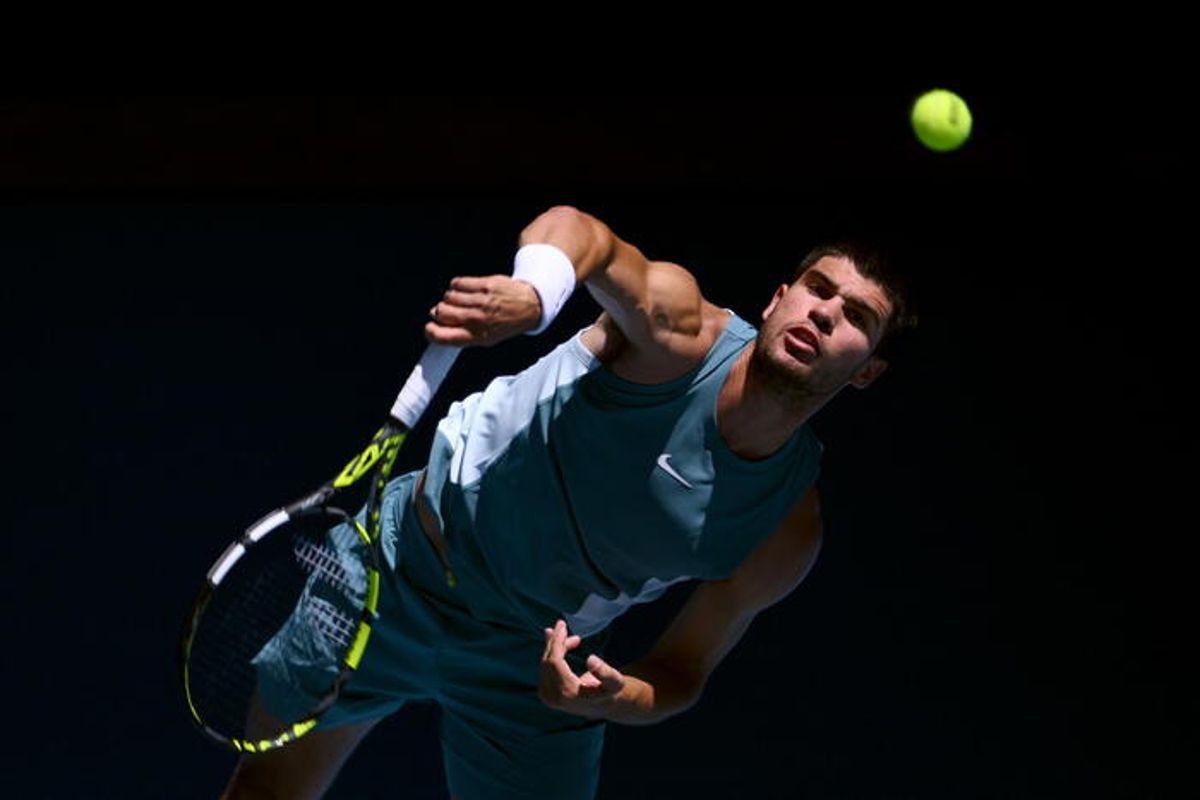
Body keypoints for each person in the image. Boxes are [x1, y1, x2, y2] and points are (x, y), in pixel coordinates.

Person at [222, 205, 918, 799]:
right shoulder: (677, 332)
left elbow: (682, 671)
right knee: (267, 792)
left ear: (868, 371)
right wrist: (536, 296)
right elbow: (577, 230)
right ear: (777, 299)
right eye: (817, 290)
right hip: (397, 573)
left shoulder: (786, 528)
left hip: (536, 669)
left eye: (855, 316)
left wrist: (616, 698)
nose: (824, 313)